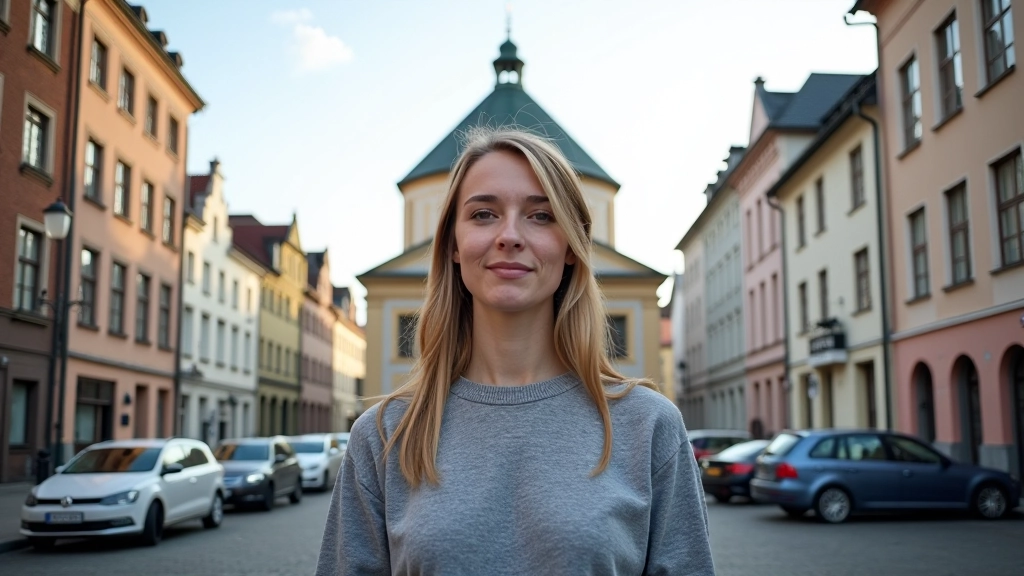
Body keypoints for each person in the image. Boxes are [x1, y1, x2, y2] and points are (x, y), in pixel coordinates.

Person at [315, 127, 715, 576]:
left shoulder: (648, 425)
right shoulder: (384, 435)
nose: (509, 235)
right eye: (484, 214)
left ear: (571, 247)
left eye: (541, 216)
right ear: (452, 243)